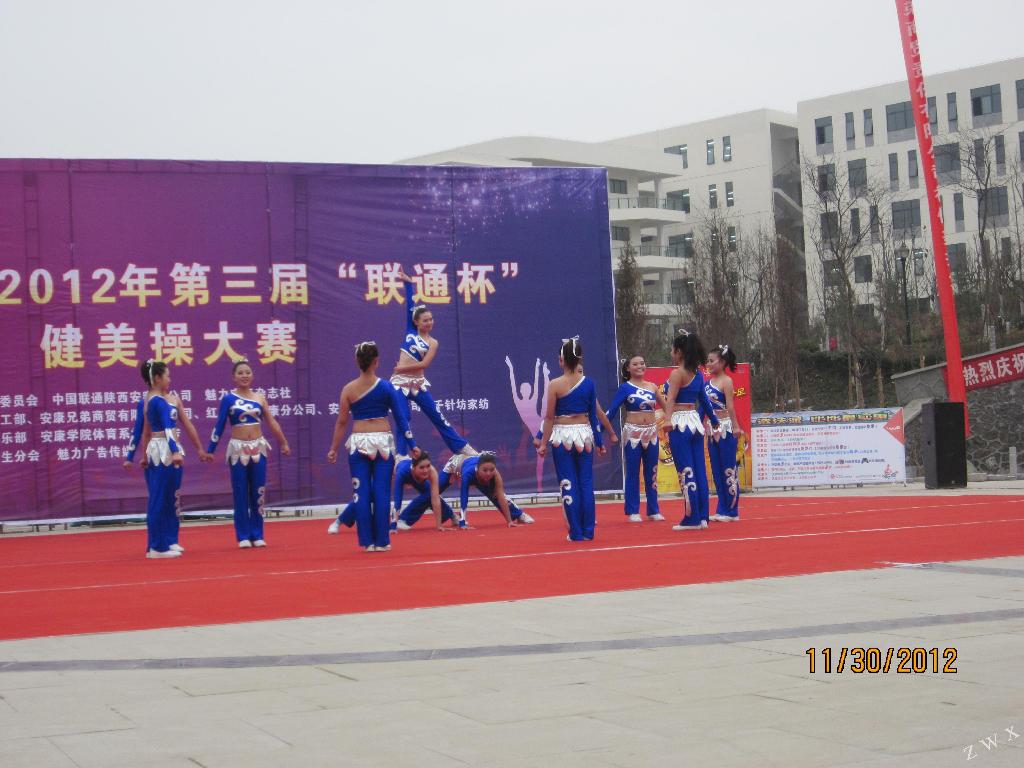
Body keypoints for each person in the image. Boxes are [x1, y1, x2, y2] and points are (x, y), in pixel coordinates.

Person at [327, 341, 417, 552]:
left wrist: (333, 448)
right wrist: (412, 444)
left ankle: (367, 542)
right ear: (376, 361)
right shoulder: (386, 387)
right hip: (382, 442)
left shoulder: (348, 389)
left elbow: (341, 422)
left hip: (359, 441)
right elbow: (401, 418)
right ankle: (382, 541)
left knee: (362, 493)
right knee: (381, 492)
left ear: (357, 361)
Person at [207, 359, 292, 548]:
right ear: (233, 377)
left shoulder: (259, 398)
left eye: (247, 372)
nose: (244, 375)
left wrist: (283, 442)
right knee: (240, 493)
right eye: (240, 373)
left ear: (252, 375)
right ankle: (243, 535)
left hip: (258, 448)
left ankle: (257, 533)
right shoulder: (228, 399)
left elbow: (272, 422)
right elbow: (219, 426)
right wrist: (210, 450)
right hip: (238, 449)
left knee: (258, 492)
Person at [390, 269, 475, 455]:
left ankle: (462, 447)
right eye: (425, 320)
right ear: (416, 322)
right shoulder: (410, 332)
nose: (429, 323)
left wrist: (401, 368)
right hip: (399, 384)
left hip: (418, 384)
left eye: (431, 319)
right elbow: (410, 305)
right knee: (403, 418)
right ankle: (401, 457)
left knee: (438, 417)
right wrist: (408, 284)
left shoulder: (433, 342)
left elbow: (424, 365)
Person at [537, 337, 607, 542]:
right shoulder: (589, 384)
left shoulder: (555, 384)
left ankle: (575, 532)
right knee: (586, 483)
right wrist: (600, 442)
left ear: (561, 360)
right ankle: (588, 531)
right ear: (579, 359)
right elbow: (593, 416)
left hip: (562, 436)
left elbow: (549, 417)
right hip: (584, 435)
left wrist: (543, 443)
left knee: (568, 483)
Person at [139, 360, 208, 558]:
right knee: (159, 499)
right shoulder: (155, 401)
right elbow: (162, 429)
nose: (170, 379)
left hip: (165, 450)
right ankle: (157, 547)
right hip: (162, 451)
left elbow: (180, 425)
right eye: (167, 376)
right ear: (157, 378)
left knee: (170, 497)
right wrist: (174, 451)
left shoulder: (161, 399)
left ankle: (167, 541)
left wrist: (197, 448)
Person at [664, 331, 720, 531]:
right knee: (699, 470)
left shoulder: (677, 373)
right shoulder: (697, 374)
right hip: (695, 422)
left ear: (679, 352)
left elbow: (671, 399)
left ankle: (691, 518)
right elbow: (704, 400)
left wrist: (667, 420)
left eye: (672, 349)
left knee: (685, 470)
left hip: (680, 422)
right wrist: (714, 420)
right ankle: (703, 516)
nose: (671, 353)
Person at [605, 355, 670, 523]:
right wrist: (601, 429)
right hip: (633, 434)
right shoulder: (625, 388)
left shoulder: (653, 387)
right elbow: (612, 411)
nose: (640, 366)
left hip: (652, 432)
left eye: (642, 363)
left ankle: (653, 510)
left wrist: (673, 420)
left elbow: (666, 408)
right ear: (628, 368)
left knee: (652, 471)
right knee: (633, 472)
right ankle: (633, 510)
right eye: (635, 364)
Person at [435, 451, 535, 527]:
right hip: (455, 465)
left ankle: (518, 515)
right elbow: (464, 497)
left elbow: (501, 497)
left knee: (496, 494)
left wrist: (509, 521)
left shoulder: (494, 474)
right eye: (485, 470)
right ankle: (453, 516)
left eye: (491, 470)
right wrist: (463, 522)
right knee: (433, 493)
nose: (488, 473)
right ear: (478, 468)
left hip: (476, 470)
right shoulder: (467, 474)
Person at [705, 345, 745, 522]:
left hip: (726, 428)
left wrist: (735, 427)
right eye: (707, 361)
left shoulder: (726, 381)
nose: (708, 364)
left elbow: (730, 406)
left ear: (722, 362)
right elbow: (705, 408)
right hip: (712, 429)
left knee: (729, 469)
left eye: (711, 361)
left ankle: (732, 511)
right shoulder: (707, 383)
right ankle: (722, 508)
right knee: (717, 470)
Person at [392, 452, 462, 530]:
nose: (425, 470)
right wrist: (394, 523)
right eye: (421, 467)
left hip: (416, 475)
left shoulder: (431, 471)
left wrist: (439, 526)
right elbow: (398, 499)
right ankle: (402, 519)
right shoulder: (401, 473)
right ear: (414, 467)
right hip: (395, 470)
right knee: (428, 494)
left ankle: (452, 516)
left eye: (428, 466)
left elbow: (435, 498)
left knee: (430, 494)